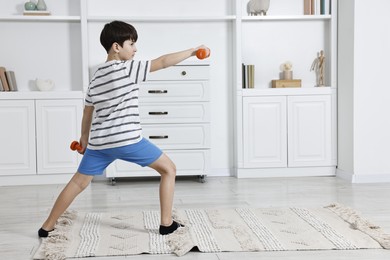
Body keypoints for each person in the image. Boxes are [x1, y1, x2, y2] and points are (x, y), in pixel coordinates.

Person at [38, 20, 208, 237]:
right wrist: (193, 52)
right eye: (131, 44)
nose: (135, 49)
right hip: (128, 140)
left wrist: (84, 139)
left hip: (100, 143)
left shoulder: (96, 78)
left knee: (78, 182)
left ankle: (47, 225)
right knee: (169, 169)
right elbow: (164, 61)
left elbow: (87, 113)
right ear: (116, 47)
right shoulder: (128, 69)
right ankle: (166, 224)